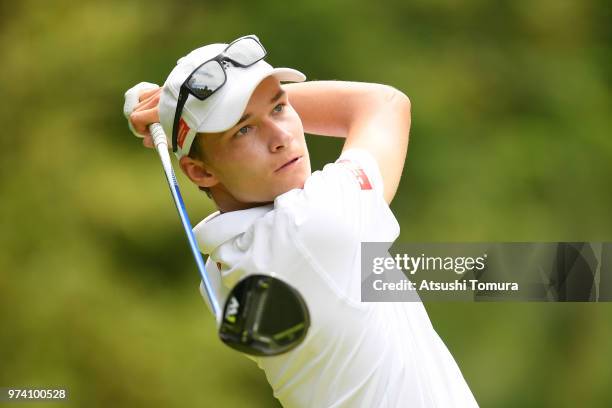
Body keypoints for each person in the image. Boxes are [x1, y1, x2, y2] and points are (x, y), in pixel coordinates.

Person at [124, 34, 478, 407]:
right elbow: (384, 104)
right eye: (243, 129)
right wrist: (171, 105)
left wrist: (180, 112)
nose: (281, 136)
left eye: (279, 107)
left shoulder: (222, 271)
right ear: (199, 172)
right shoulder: (312, 226)